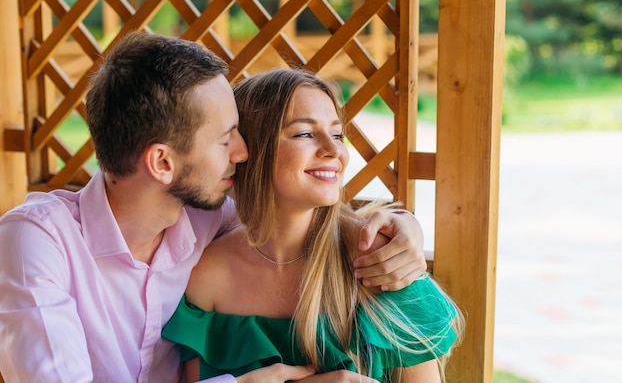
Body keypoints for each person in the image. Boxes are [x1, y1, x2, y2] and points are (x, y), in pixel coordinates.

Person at [0, 32, 428, 383]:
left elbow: (293, 210)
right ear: (163, 162)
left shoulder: (207, 219)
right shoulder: (36, 243)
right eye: (226, 140)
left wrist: (402, 226)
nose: (244, 153)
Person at [162, 69, 464, 383]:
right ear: (249, 149)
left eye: (336, 134)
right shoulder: (207, 277)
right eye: (305, 134)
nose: (334, 151)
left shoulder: (379, 262)